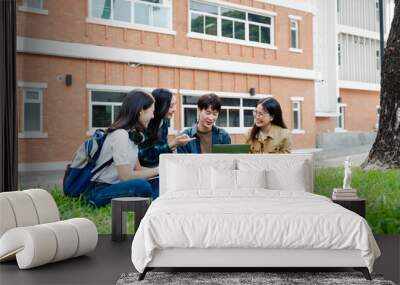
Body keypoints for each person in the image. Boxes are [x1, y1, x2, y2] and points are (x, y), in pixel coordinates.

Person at [84, 90, 159, 207]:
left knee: (159, 181)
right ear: (141, 111)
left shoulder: (134, 134)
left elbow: (138, 169)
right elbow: (126, 177)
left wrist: (162, 171)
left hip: (118, 186)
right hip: (99, 191)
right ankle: (153, 199)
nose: (153, 116)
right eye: (152, 112)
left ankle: (155, 199)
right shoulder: (120, 135)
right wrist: (157, 170)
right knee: (142, 186)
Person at [138, 88, 193, 168]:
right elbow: (144, 157)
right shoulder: (144, 124)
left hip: (159, 169)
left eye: (175, 105)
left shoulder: (164, 123)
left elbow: (162, 152)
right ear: (159, 106)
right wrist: (172, 144)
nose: (174, 109)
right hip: (146, 173)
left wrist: (176, 144)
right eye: (171, 106)